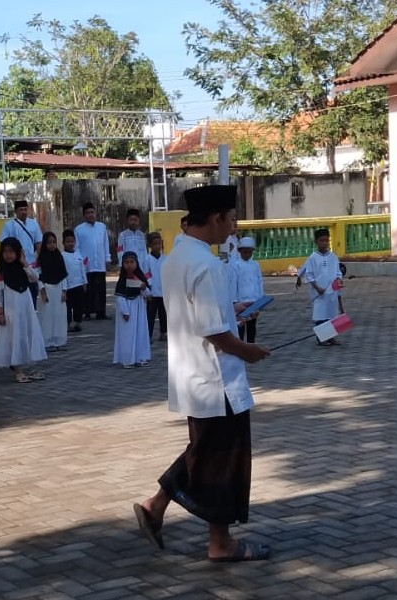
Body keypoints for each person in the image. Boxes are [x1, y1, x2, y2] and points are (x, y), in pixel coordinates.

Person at [133, 185, 271, 562]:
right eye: (232, 219)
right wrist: (249, 351)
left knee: (205, 451)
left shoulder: (175, 258)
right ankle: (220, 542)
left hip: (190, 374)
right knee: (224, 459)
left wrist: (233, 309)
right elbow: (213, 330)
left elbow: (198, 312)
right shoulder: (208, 265)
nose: (233, 227)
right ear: (215, 218)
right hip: (216, 378)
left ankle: (156, 506)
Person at [0, 237, 48, 383]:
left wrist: (24, 263)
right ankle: (18, 370)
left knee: (28, 334)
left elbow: (35, 278)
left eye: (11, 251)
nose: (8, 255)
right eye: (5, 252)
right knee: (13, 337)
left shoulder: (24, 269)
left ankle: (30, 366)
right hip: (11, 312)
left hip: (26, 309)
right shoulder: (0, 273)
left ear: (18, 252)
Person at [0, 199, 43, 307]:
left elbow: (38, 242)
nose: (23, 212)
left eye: (25, 209)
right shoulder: (9, 225)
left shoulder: (33, 224)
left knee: (32, 291)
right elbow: (3, 243)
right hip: (15, 265)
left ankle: (32, 311)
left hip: (30, 264)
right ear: (16, 211)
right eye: (21, 210)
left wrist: (40, 259)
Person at [304, 228, 343, 345]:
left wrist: (338, 282)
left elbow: (338, 273)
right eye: (321, 241)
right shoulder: (313, 258)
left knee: (331, 313)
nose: (324, 243)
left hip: (332, 290)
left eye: (326, 240)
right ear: (316, 241)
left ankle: (330, 337)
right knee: (320, 314)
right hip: (319, 292)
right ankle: (321, 338)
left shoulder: (333, 257)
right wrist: (317, 288)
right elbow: (309, 275)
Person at [113, 251, 151, 368]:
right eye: (126, 262)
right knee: (127, 335)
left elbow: (148, 295)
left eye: (132, 262)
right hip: (127, 310)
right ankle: (127, 359)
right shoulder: (122, 280)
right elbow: (120, 297)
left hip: (139, 309)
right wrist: (125, 311)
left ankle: (140, 357)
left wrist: (144, 288)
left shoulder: (140, 276)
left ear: (136, 263)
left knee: (140, 333)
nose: (129, 265)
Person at [74, 202, 111, 320]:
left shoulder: (102, 227)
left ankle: (101, 312)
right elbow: (76, 247)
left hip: (99, 263)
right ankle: (87, 312)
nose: (90, 215)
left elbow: (105, 243)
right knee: (87, 289)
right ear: (84, 215)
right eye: (88, 213)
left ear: (95, 213)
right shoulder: (79, 229)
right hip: (86, 264)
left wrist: (107, 258)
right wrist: (79, 260)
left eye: (92, 212)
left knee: (100, 288)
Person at [37, 231, 68, 352]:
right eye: (49, 243)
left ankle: (59, 341)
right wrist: (43, 292)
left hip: (59, 289)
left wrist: (64, 291)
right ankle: (47, 342)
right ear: (45, 244)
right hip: (47, 289)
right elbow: (39, 276)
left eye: (54, 242)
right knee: (47, 316)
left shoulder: (59, 256)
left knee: (59, 315)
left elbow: (63, 275)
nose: (52, 245)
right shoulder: (41, 258)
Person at [232, 236, 264, 343]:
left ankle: (251, 344)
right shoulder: (235, 265)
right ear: (240, 251)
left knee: (252, 326)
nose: (247, 254)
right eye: (245, 252)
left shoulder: (255, 265)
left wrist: (260, 298)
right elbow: (233, 283)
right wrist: (234, 300)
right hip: (241, 302)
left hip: (253, 301)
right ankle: (240, 345)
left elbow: (259, 281)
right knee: (240, 326)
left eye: (249, 252)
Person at [62, 229, 87, 333]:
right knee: (68, 307)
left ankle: (78, 322)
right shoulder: (62, 256)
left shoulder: (78, 254)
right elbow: (62, 272)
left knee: (79, 305)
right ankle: (67, 324)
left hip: (79, 285)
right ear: (63, 243)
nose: (70, 244)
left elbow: (82, 269)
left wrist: (84, 282)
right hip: (68, 286)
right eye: (68, 242)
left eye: (72, 241)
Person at [143, 232, 167, 342]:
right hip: (152, 292)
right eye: (155, 244)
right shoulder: (147, 259)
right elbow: (146, 273)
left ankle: (163, 333)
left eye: (159, 243)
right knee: (150, 315)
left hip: (163, 291)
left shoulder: (165, 259)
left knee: (163, 314)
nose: (157, 246)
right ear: (150, 245)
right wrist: (150, 284)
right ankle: (148, 335)